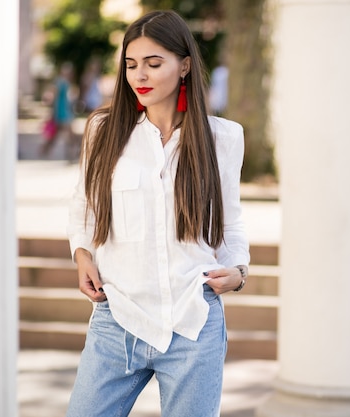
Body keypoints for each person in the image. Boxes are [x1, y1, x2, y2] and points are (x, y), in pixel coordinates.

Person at [66, 10, 250, 417]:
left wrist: (238, 273)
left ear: (184, 66)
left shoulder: (223, 138)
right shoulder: (103, 130)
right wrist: (82, 255)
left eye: (154, 63)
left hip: (192, 321)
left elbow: (231, 223)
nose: (140, 76)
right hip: (118, 319)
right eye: (131, 65)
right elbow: (84, 207)